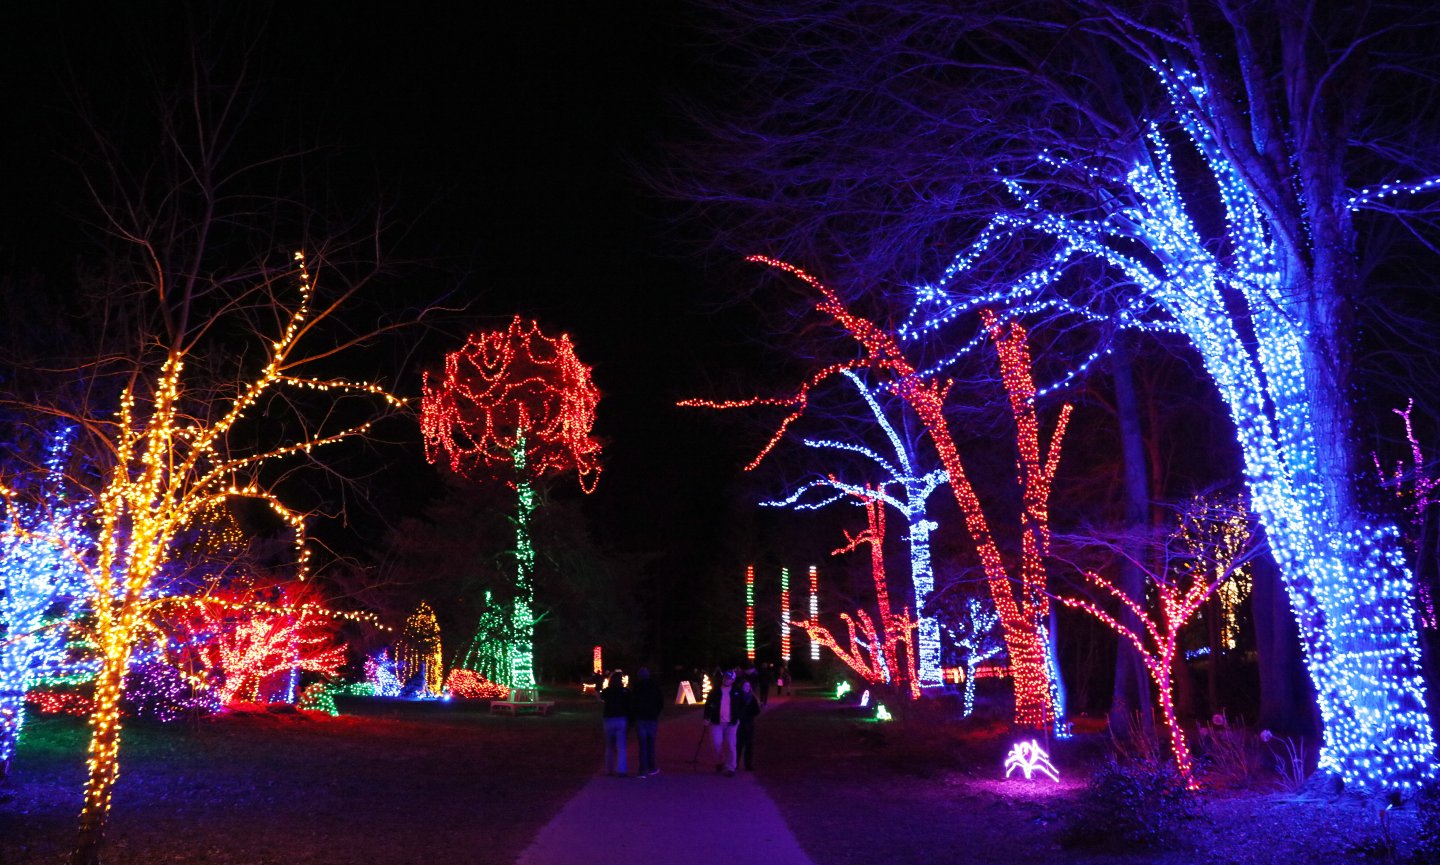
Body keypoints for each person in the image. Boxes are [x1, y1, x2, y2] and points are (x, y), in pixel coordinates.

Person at [703, 669, 743, 776]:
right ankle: (720, 761)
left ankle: (731, 767)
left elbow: (742, 705)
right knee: (716, 744)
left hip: (731, 723)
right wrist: (706, 717)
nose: (726, 680)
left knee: (731, 745)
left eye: (729, 678)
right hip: (717, 722)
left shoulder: (737, 691)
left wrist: (738, 717)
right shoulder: (716, 690)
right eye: (725, 678)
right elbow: (708, 704)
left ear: (733, 680)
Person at [629, 666, 664, 777]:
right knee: (651, 744)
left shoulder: (636, 687)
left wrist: (633, 718)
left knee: (642, 744)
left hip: (640, 718)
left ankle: (642, 770)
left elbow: (632, 703)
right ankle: (651, 767)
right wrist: (656, 713)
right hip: (652, 718)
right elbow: (660, 702)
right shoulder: (654, 686)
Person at [600, 670, 630, 776]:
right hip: (621, 718)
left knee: (609, 746)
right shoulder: (625, 691)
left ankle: (609, 769)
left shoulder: (607, 691)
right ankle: (621, 769)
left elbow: (602, 698)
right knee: (621, 746)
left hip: (609, 719)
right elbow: (629, 703)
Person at [735, 677, 762, 771]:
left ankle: (748, 765)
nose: (747, 687)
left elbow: (757, 711)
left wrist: (750, 714)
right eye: (745, 686)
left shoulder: (752, 698)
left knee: (749, 745)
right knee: (738, 744)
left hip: (749, 724)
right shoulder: (738, 696)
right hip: (740, 724)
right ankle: (735, 763)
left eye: (748, 686)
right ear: (742, 687)